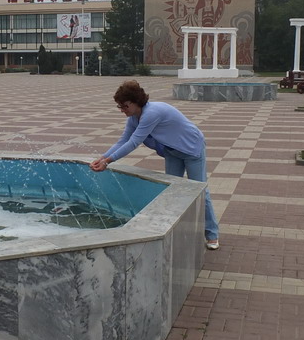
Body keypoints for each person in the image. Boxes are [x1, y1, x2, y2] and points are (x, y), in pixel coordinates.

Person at [90, 80, 220, 250]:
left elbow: (134, 142)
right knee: (172, 190)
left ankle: (212, 234)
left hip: (191, 149)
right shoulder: (133, 118)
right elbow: (123, 140)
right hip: (172, 152)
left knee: (201, 191)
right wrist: (102, 158)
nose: (122, 110)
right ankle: (176, 231)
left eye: (125, 106)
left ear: (137, 101)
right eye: (119, 107)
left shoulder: (152, 112)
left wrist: (108, 161)